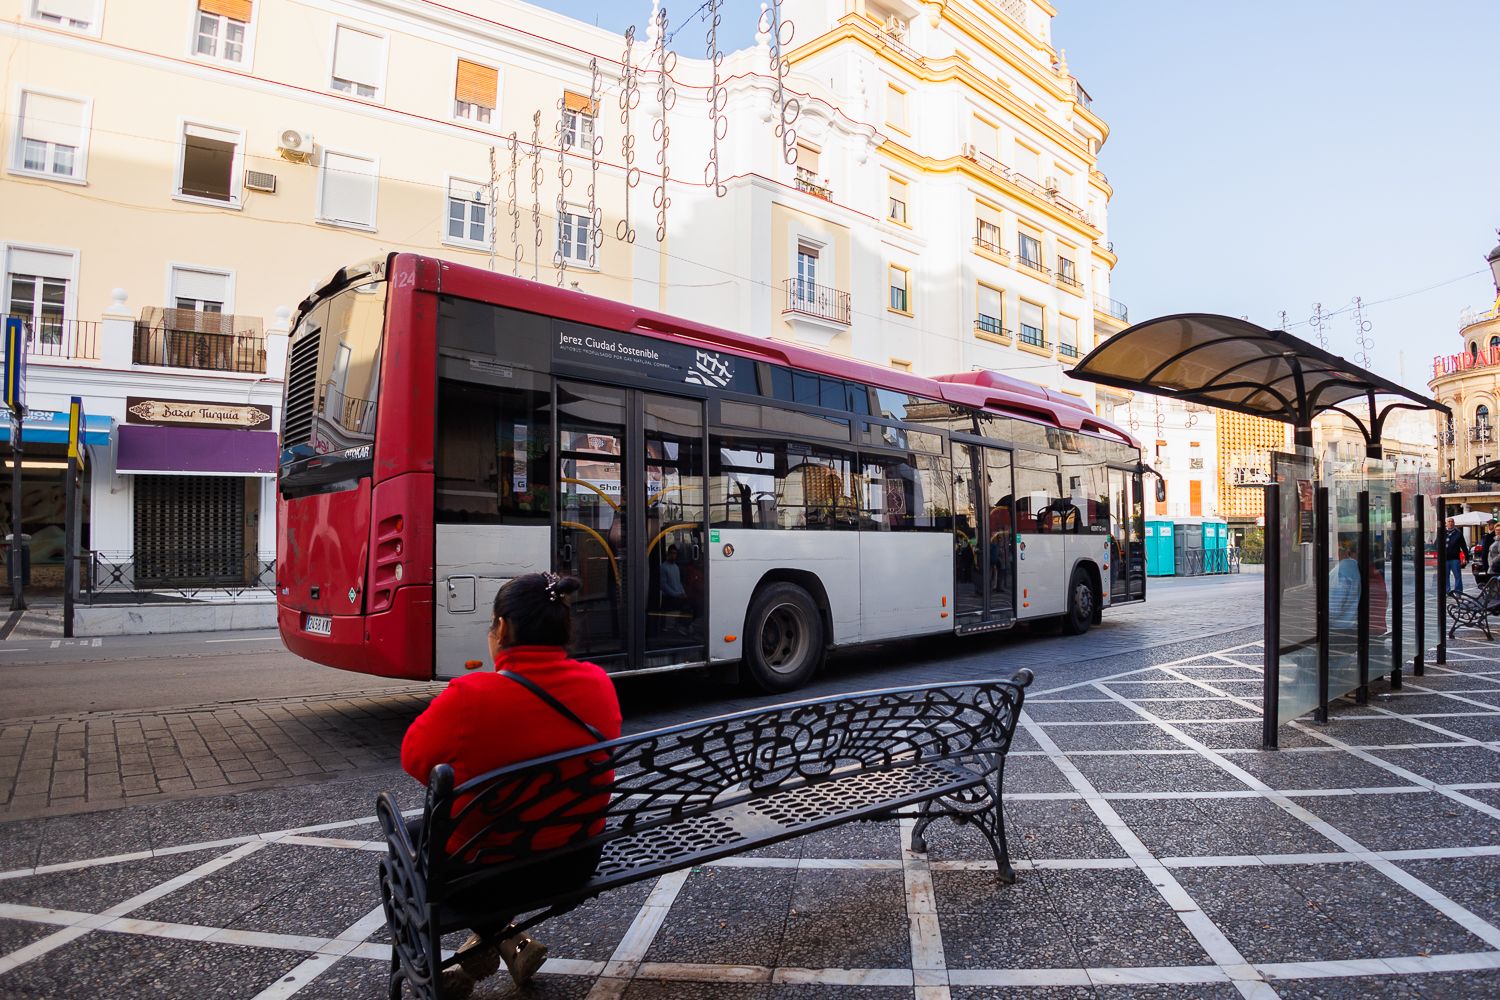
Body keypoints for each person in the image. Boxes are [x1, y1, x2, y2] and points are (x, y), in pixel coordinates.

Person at [401, 572, 622, 997]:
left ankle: (445, 965)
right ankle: (510, 943)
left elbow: (415, 760)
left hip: (493, 877)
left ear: (501, 629)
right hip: (575, 861)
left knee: (409, 842)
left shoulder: (469, 697)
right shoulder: (598, 682)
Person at [1444, 517, 1466, 595]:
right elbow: (1436, 544)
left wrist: (1466, 557)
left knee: (1458, 576)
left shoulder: (1458, 533)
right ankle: (1447, 591)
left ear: (1454, 523)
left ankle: (1458, 592)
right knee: (1445, 576)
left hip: (1455, 558)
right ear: (1446, 523)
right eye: (1449, 521)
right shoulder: (1442, 533)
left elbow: (1464, 546)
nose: (1450, 523)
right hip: (1445, 559)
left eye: (1452, 521)